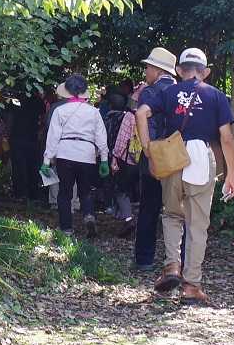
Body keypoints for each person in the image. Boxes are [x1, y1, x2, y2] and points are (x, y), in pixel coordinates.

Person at [136, 48, 234, 304]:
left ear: (180, 71)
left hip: (174, 157)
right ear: (205, 72)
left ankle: (171, 266)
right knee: (197, 225)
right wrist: (231, 174)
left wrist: (148, 147)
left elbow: (140, 113)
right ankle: (192, 285)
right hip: (201, 159)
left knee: (171, 214)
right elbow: (226, 138)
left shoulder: (168, 92)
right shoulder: (216, 95)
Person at [42, 74, 109, 237]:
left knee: (65, 192)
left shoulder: (60, 111)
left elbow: (53, 137)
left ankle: (66, 229)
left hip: (65, 153)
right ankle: (89, 216)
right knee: (85, 191)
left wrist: (46, 161)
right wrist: (104, 160)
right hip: (87, 154)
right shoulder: (94, 112)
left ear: (67, 91)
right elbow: (101, 136)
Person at [130, 48, 178, 271]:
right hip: (177, 155)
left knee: (149, 207)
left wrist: (147, 148)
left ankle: (144, 259)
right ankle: (175, 261)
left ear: (158, 69)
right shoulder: (180, 91)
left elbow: (142, 118)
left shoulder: (150, 92)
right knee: (176, 211)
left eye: (148, 67)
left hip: (155, 154)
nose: (146, 70)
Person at [99, 88, 138, 235]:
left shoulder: (125, 117)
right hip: (143, 156)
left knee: (118, 187)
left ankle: (125, 216)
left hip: (122, 156)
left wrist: (114, 157)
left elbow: (120, 140)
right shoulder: (150, 114)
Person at [5, 88, 47, 203]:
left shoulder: (14, 101)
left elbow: (10, 119)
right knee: (32, 166)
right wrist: (40, 131)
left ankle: (20, 194)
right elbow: (43, 119)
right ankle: (33, 195)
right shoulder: (38, 100)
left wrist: (7, 135)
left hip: (17, 137)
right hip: (31, 138)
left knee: (19, 167)